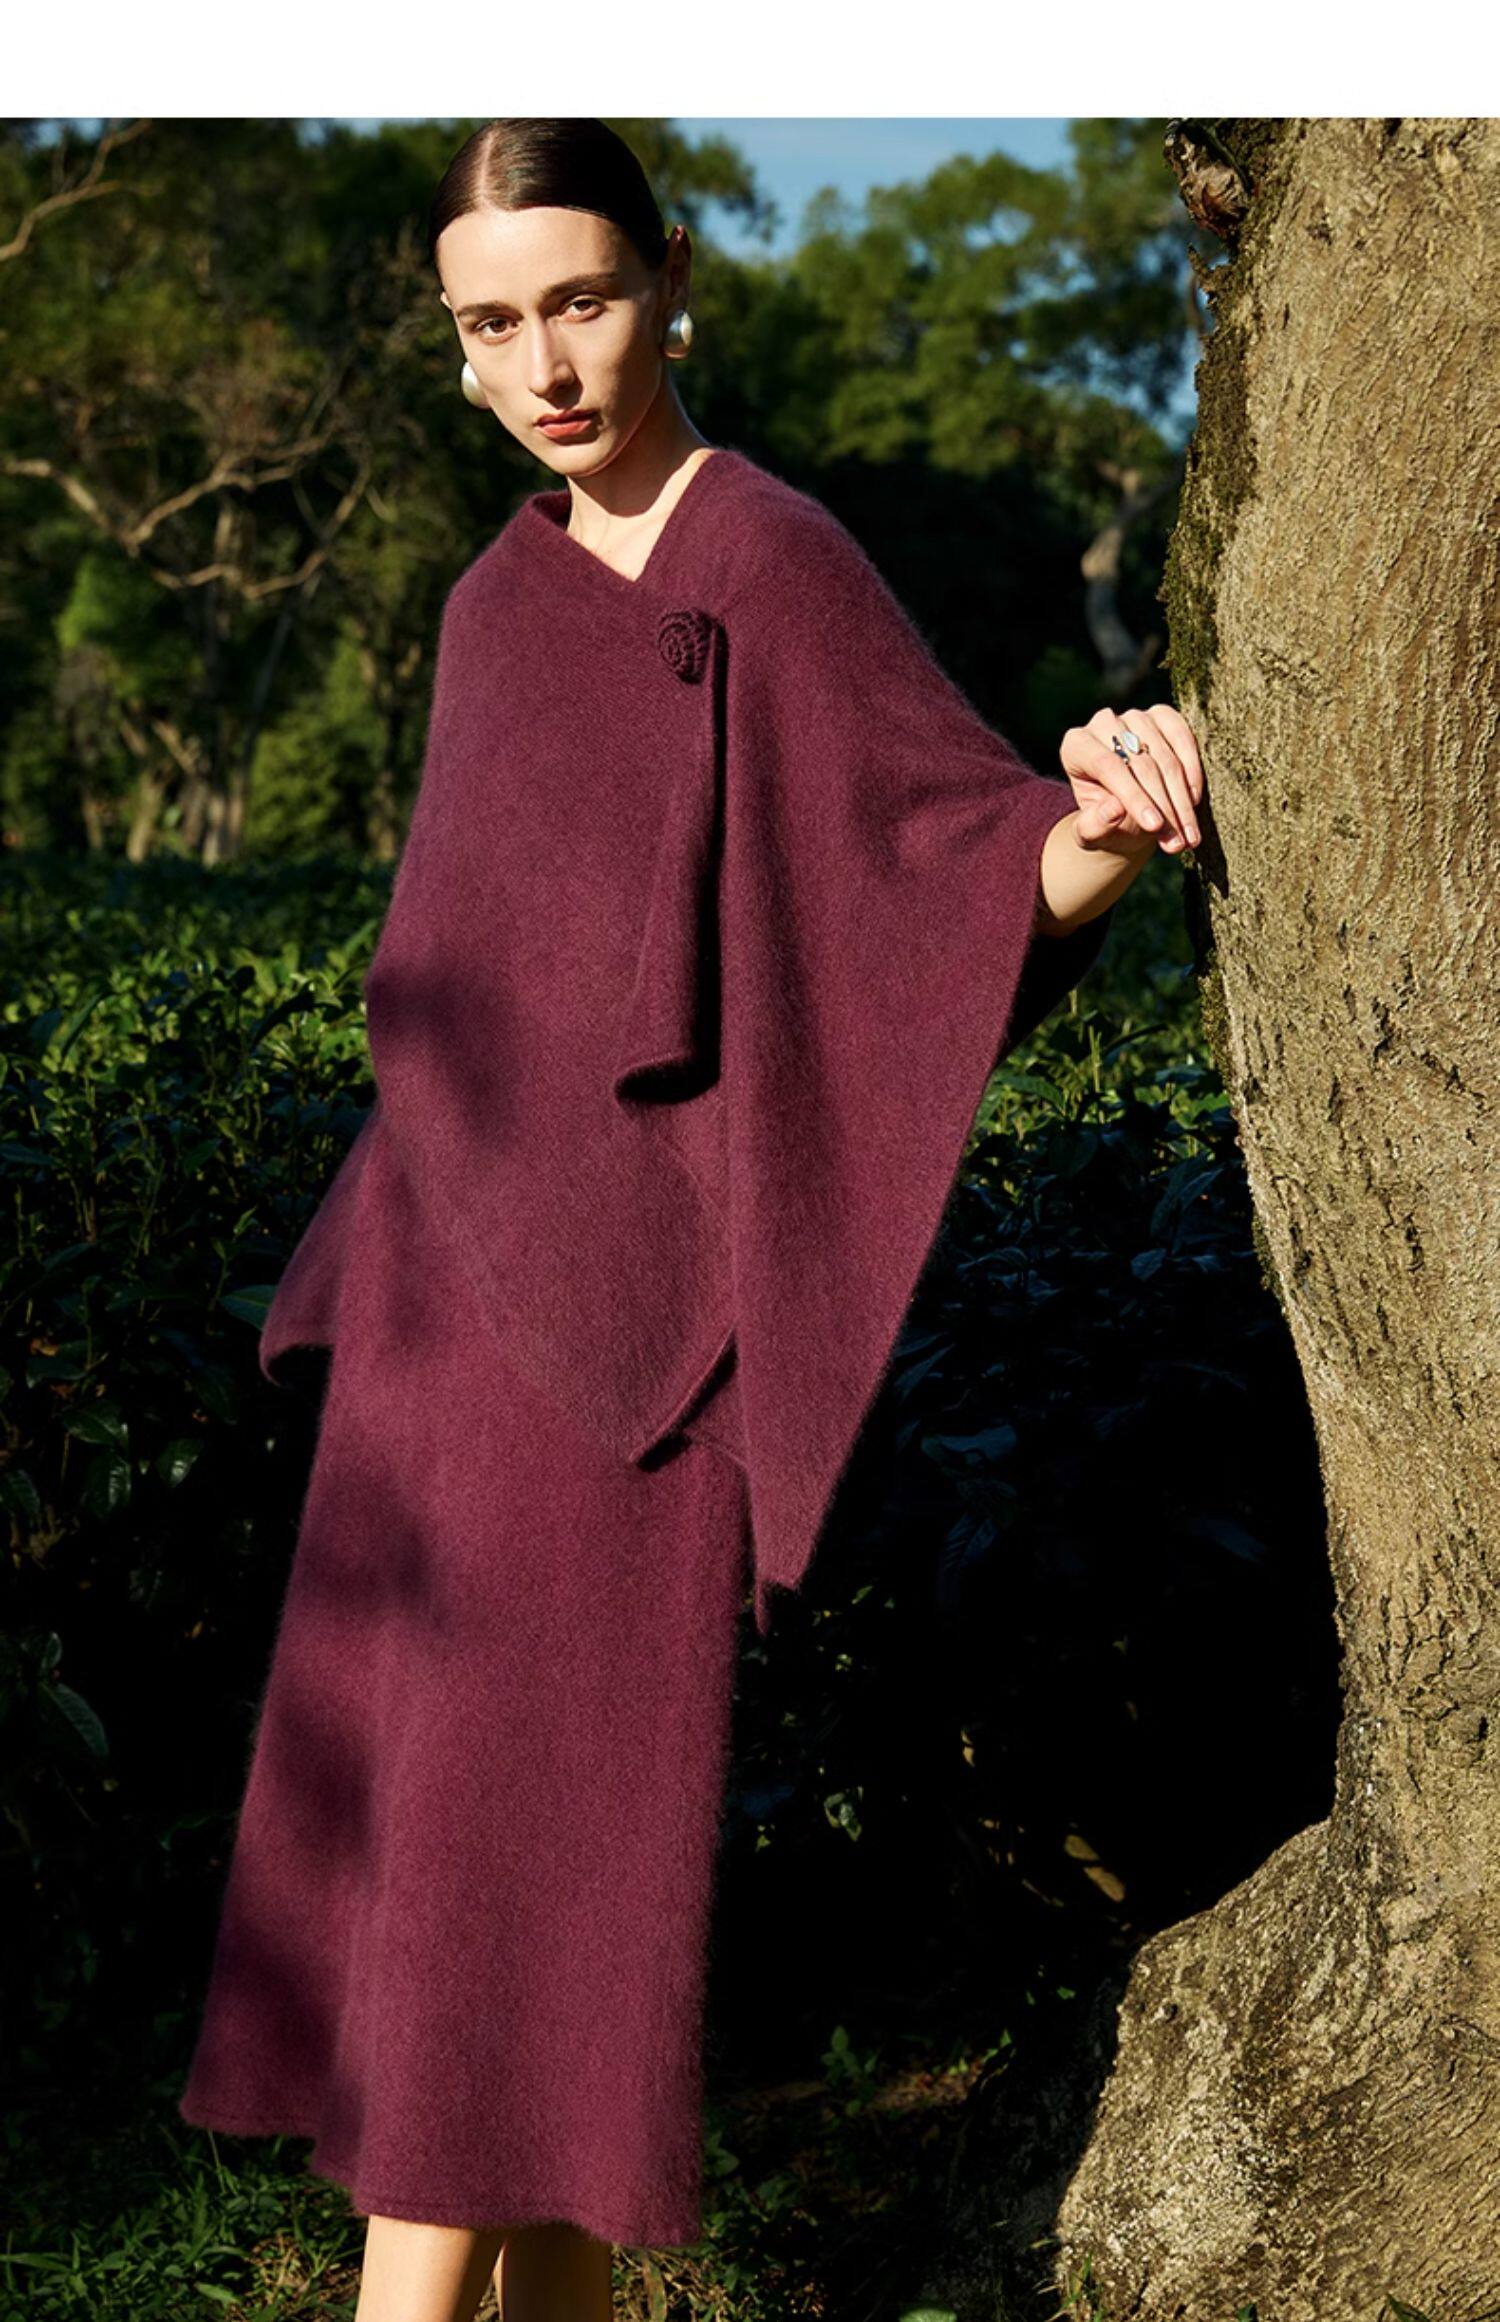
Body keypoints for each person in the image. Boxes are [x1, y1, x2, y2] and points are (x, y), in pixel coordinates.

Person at [177, 118, 1203, 2322]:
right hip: (437, 1341)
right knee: (469, 1940)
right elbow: (456, 1003)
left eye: (578, 301)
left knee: (548, 1954)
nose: (543, 366)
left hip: (646, 1367)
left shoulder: (774, 562)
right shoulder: (488, 610)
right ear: (455, 350)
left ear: (669, 289)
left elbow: (947, 874)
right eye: (490, 326)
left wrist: (1112, 810)